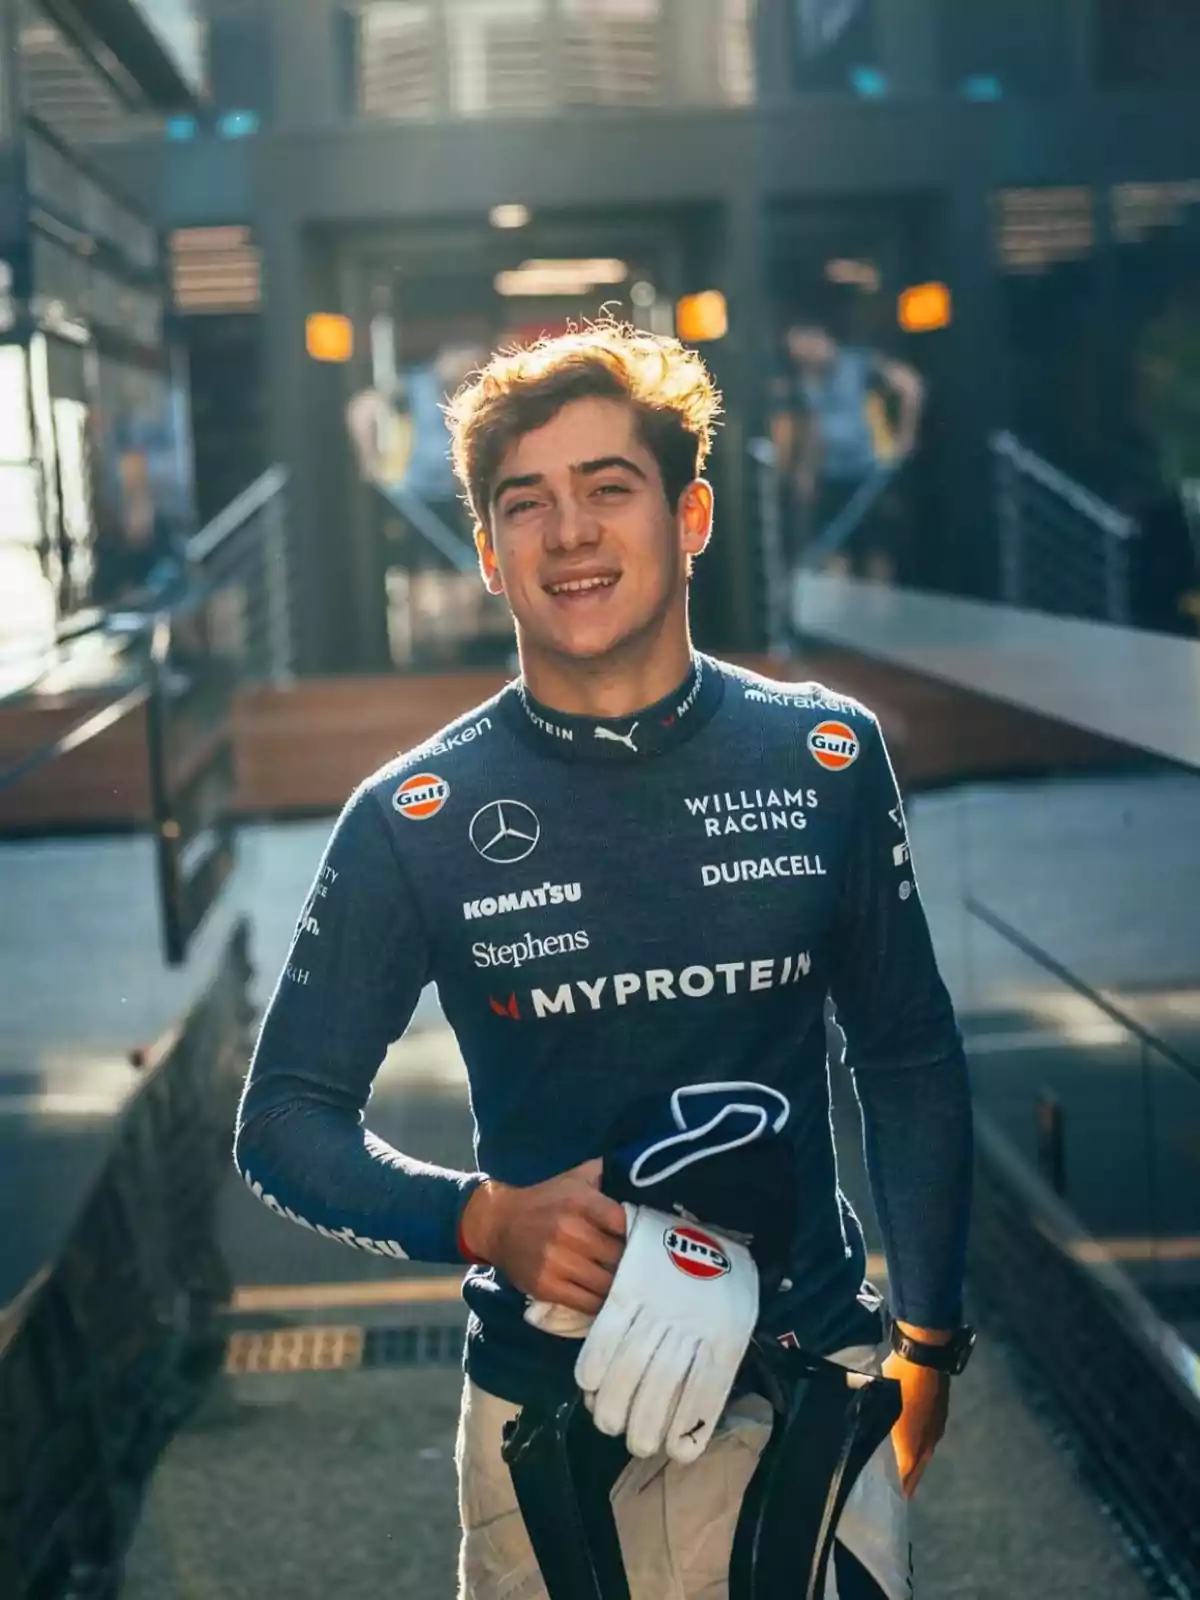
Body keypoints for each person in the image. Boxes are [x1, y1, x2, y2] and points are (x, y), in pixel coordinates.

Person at [235, 320, 974, 1599]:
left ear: (690, 517)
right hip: (545, 1419)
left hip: (807, 1384)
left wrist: (930, 1339)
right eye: (526, 504)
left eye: (607, 489)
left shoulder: (825, 759)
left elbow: (907, 1055)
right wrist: (480, 1217)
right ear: (487, 553)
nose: (569, 531)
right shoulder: (415, 815)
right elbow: (283, 1120)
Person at [772, 318, 924, 584]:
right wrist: (806, 472)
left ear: (818, 339)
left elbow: (910, 386)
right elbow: (816, 429)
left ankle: (881, 618)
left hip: (869, 473)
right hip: (831, 476)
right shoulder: (807, 379)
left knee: (876, 553)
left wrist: (905, 437)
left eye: (802, 349)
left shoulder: (860, 364)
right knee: (834, 553)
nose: (800, 358)